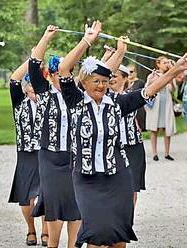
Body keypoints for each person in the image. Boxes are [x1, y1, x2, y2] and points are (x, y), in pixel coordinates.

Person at [59, 20, 187, 248]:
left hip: (118, 176)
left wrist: (176, 69)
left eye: (105, 81)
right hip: (86, 178)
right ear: (84, 82)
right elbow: (64, 69)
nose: (100, 85)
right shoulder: (75, 101)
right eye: (95, 81)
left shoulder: (118, 102)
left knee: (118, 235)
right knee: (96, 232)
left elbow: (151, 90)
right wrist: (88, 40)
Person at [29, 25, 81, 248]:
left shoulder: (78, 95)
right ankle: (53, 244)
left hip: (74, 156)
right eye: (57, 73)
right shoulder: (44, 93)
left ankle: (74, 245)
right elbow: (33, 64)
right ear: (50, 75)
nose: (61, 77)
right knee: (54, 202)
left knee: (76, 202)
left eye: (65, 72)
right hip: (50, 156)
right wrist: (46, 38)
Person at [8, 60, 48, 246]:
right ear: (25, 89)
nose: (35, 93)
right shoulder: (19, 102)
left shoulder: (48, 101)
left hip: (44, 152)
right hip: (25, 153)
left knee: (46, 193)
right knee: (26, 196)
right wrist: (31, 59)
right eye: (31, 88)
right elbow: (13, 80)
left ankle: (46, 231)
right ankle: (30, 229)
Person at [109, 64, 147, 206]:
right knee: (114, 186)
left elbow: (149, 92)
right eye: (110, 75)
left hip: (133, 146)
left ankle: (128, 221)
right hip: (114, 147)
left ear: (125, 79)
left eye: (115, 76)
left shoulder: (131, 95)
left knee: (132, 187)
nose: (111, 79)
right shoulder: (103, 97)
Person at [145, 56, 176, 161]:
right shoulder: (152, 74)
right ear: (158, 64)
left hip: (166, 104)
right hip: (155, 105)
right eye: (164, 62)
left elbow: (172, 89)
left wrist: (171, 77)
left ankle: (167, 153)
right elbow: (147, 89)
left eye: (168, 62)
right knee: (154, 129)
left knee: (167, 129)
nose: (167, 64)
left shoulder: (170, 75)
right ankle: (154, 153)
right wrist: (151, 80)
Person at [127, 64, 146, 131]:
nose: (129, 73)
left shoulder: (140, 82)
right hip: (128, 107)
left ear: (135, 72)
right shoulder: (125, 82)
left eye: (131, 71)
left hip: (138, 108)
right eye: (128, 71)